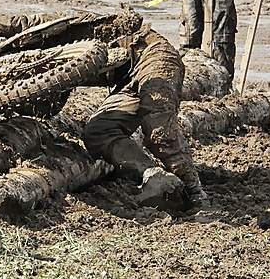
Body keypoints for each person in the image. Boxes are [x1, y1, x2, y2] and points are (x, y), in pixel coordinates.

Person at [83, 25, 208, 209]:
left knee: (159, 131)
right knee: (98, 131)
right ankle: (153, 175)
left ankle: (196, 194)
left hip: (151, 55)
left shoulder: (44, 32)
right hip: (124, 76)